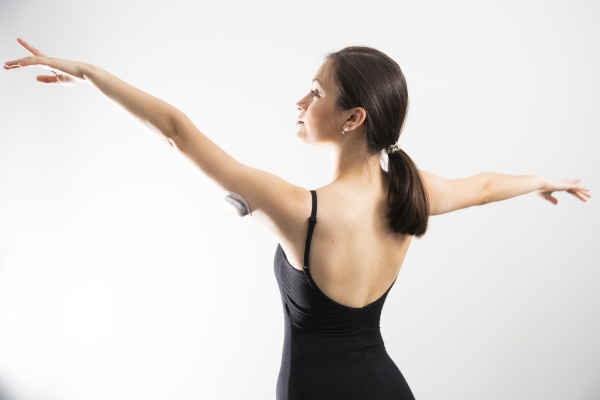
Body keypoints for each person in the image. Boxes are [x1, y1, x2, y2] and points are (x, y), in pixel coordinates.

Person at [4, 39, 591, 399]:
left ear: (353, 117)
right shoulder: (412, 192)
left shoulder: (296, 208)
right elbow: (486, 186)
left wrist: (88, 72)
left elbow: (177, 132)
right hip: (388, 388)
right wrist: (548, 180)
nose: (300, 102)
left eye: (315, 92)